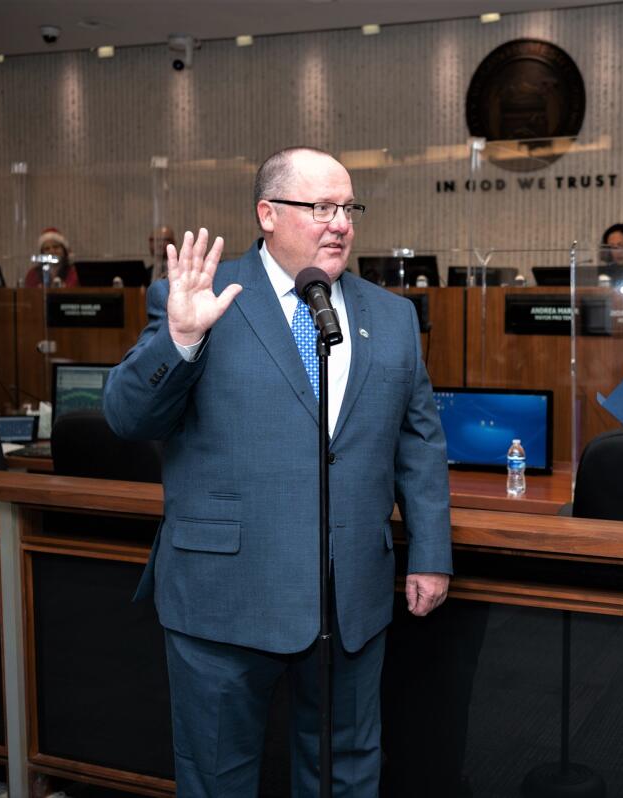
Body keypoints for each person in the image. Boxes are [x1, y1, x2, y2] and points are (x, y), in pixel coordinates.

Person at [103, 146, 453, 796]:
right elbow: (127, 417)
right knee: (218, 778)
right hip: (225, 592)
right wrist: (181, 341)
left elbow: (419, 439)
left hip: (349, 593)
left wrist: (431, 552)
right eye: (321, 207)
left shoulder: (392, 316)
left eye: (348, 207)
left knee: (345, 775)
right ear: (267, 212)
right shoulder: (198, 296)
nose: (340, 222)